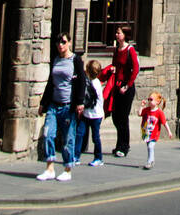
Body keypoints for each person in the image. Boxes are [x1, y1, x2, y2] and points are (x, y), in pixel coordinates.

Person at [37, 31, 86, 181]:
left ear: (69, 43)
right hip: (53, 104)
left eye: (63, 42)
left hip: (68, 106)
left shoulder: (75, 60)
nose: (60, 45)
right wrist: (43, 103)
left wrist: (79, 102)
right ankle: (50, 168)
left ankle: (67, 168)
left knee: (67, 138)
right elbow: (51, 83)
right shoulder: (56, 60)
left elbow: (81, 82)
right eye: (58, 42)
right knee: (48, 134)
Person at [104, 25, 140, 158]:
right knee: (115, 116)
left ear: (125, 35)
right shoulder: (116, 50)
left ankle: (124, 146)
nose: (116, 35)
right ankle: (119, 144)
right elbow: (115, 65)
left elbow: (135, 69)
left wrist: (128, 85)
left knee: (123, 118)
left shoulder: (130, 50)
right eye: (117, 32)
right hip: (117, 86)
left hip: (126, 87)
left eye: (119, 33)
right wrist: (112, 69)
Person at [74, 59, 106, 166]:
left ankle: (98, 157)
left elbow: (91, 99)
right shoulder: (89, 81)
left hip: (95, 115)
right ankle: (76, 156)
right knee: (80, 133)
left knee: (95, 137)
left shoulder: (94, 84)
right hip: (87, 114)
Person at [139, 92, 173, 169]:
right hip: (146, 132)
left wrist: (169, 132)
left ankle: (149, 162)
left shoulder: (159, 112)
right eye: (148, 99)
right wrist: (141, 106)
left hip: (154, 134)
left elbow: (164, 123)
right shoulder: (146, 110)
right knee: (149, 147)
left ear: (157, 102)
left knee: (150, 146)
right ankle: (152, 160)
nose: (149, 101)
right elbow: (139, 113)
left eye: (151, 99)